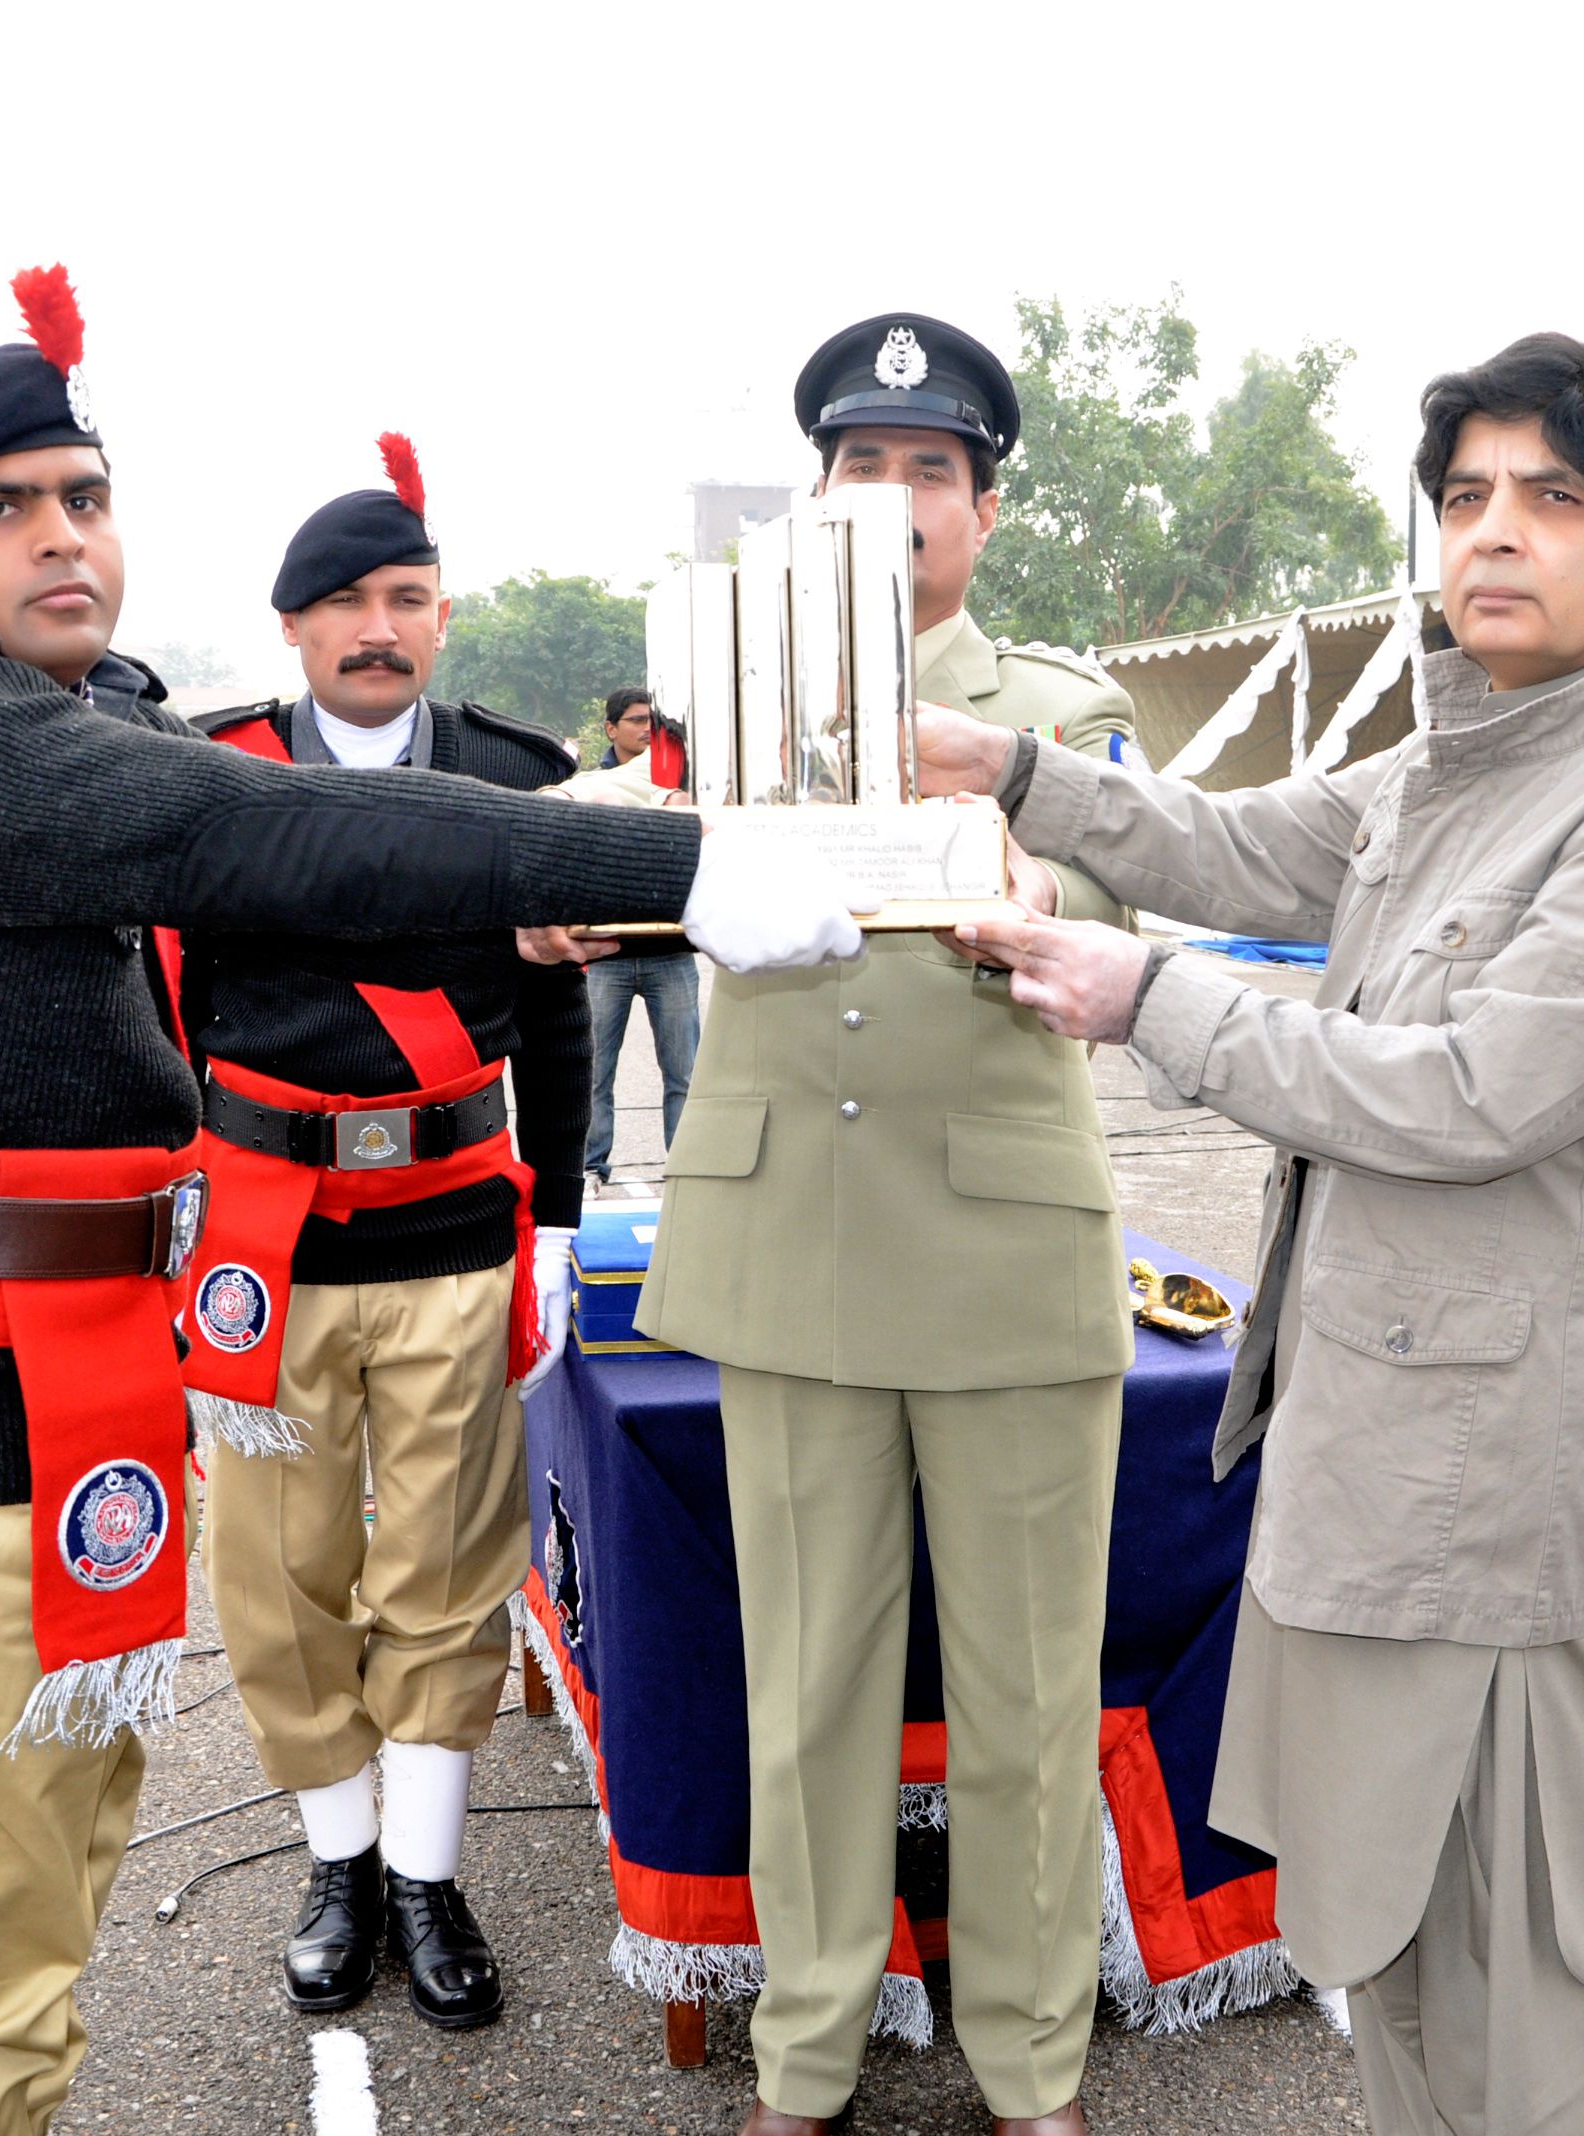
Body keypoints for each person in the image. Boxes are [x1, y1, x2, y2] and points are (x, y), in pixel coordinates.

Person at [0, 269, 859, 2136]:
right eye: (4, 508)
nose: (62, 537)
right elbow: (260, 829)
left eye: (85, 497)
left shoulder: (31, 715)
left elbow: (297, 847)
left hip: (37, 1380)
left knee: (35, 1925)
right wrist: (674, 857)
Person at [917, 330, 1584, 2136]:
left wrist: (1147, 998)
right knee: (1387, 1939)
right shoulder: (1470, 753)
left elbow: (1466, 1097)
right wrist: (1010, 770)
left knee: (1525, 1978)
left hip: (1495, 1487)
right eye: (1465, 496)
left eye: (1554, 496)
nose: (1494, 533)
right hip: (1379, 1448)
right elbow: (1236, 847)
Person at [627, 313, 1138, 2136]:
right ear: (814, 502)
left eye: (935, 472)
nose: (898, 498)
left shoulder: (1054, 711)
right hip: (791, 1241)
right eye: (863, 467)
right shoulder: (715, 695)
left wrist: (1011, 855)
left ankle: (1033, 2063)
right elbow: (626, 852)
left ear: (984, 514)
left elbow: (1114, 887)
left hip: (1000, 1245)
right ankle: (808, 2053)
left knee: (1025, 1691)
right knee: (811, 1687)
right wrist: (570, 891)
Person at [176, 434, 596, 2031]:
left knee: (448, 1561)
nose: (376, 628)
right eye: (344, 604)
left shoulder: (516, 776)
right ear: (290, 627)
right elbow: (158, 999)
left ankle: (425, 1874)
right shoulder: (209, 775)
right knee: (282, 1573)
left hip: (453, 1225)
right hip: (265, 1242)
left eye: (406, 598)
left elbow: (554, 1017)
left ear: (442, 616)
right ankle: (337, 1863)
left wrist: (558, 1219)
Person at [574, 684, 698, 1185]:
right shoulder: (587, 787)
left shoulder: (685, 786)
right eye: (637, 720)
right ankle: (589, 1169)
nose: (648, 729)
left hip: (673, 952)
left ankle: (689, 1172)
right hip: (608, 954)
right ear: (611, 728)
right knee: (593, 1073)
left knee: (685, 1074)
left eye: (655, 721)